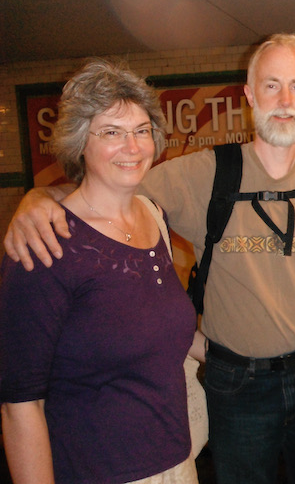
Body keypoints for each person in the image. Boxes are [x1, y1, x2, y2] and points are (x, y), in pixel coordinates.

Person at [3, 34, 295, 484]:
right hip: (236, 386)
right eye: (271, 85)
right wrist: (38, 198)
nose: (284, 100)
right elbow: (108, 188)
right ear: (249, 95)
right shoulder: (202, 173)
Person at [0, 59, 204, 484]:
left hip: (178, 463)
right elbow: (19, 403)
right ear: (79, 143)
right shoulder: (45, 244)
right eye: (112, 132)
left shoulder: (153, 216)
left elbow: (161, 330)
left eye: (141, 130)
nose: (132, 147)